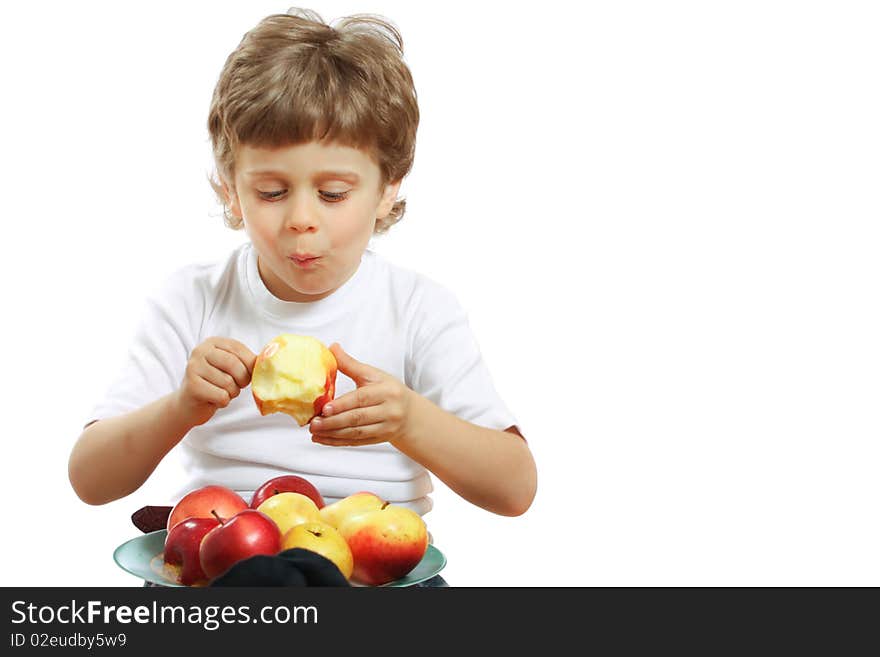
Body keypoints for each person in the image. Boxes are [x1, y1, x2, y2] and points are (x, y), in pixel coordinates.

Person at [69, 9, 536, 545]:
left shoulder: (417, 308)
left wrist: (410, 421)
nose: (300, 218)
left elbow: (515, 487)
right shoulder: (191, 300)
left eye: (333, 194)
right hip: (226, 559)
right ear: (230, 189)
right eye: (271, 192)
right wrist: (180, 408)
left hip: (371, 565)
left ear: (388, 188)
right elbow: (91, 478)